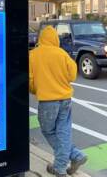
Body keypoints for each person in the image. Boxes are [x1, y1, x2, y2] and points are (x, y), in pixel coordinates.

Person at [29, 26, 87, 177]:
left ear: (40, 38)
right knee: (63, 131)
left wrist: (36, 90)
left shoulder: (33, 55)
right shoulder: (62, 54)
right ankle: (75, 156)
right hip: (65, 99)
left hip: (48, 100)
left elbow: (30, 81)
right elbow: (72, 75)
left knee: (48, 131)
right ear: (55, 39)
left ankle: (61, 167)